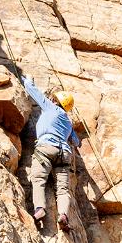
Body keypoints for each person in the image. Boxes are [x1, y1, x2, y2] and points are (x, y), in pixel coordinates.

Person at [23, 74, 80, 232]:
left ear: (56, 101)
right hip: (64, 154)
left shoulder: (50, 107)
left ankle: (40, 209)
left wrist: (27, 79)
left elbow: (33, 91)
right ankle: (63, 215)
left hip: (46, 147)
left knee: (39, 178)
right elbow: (76, 142)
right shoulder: (68, 122)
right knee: (62, 189)